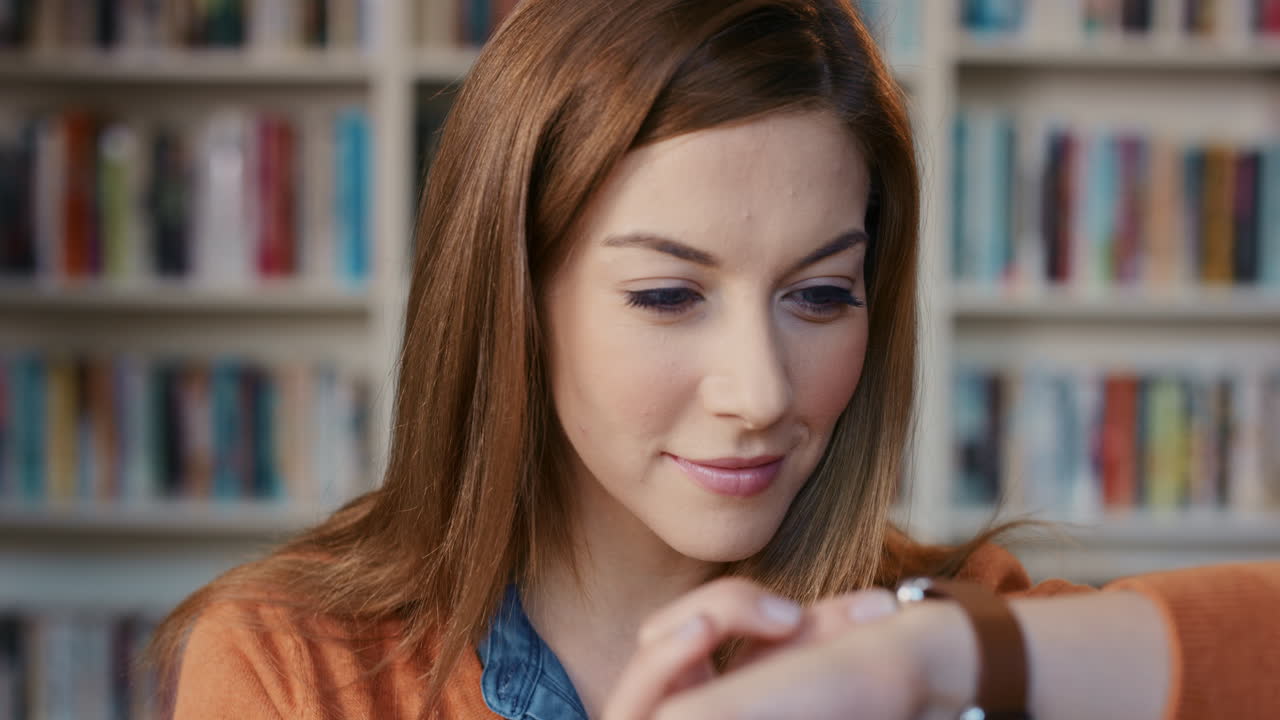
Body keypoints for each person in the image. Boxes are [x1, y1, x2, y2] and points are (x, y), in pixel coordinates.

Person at [153, 0, 1280, 718]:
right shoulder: (289, 668)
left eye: (820, 295)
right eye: (666, 295)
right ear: (510, 302)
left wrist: (915, 668)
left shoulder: (948, 626)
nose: (761, 394)